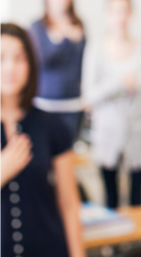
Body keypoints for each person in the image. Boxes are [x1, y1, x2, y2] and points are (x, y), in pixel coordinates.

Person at [1, 23, 85, 257]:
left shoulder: (52, 125)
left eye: (19, 58)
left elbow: (68, 202)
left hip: (47, 246)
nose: (10, 67)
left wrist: (78, 253)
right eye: (1, 58)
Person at [82, 0, 141, 209]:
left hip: (138, 136)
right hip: (107, 136)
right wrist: (119, 82)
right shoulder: (96, 49)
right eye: (115, 11)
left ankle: (138, 243)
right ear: (107, 15)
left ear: (131, 14)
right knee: (110, 199)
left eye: (124, 10)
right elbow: (88, 96)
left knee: (138, 200)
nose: (120, 17)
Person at [30, 0, 86, 141]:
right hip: (43, 103)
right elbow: (42, 59)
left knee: (68, 150)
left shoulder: (79, 25)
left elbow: (84, 63)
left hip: (72, 103)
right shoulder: (38, 27)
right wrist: (65, 38)